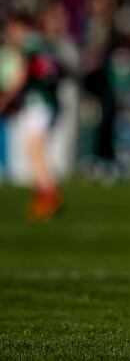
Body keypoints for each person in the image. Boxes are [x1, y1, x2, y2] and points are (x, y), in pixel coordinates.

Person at [0, 12, 62, 221]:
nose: (10, 33)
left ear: (21, 27)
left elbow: (21, 76)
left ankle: (48, 197)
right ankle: (48, 194)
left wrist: (6, 98)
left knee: (34, 150)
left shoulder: (28, 47)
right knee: (36, 150)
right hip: (46, 102)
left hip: (37, 102)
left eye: (13, 28)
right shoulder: (43, 45)